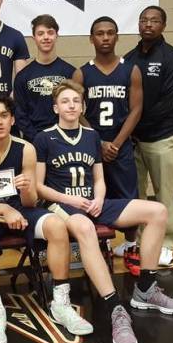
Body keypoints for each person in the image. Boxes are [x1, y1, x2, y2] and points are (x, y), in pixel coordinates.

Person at [34, 80, 173, 343]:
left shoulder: (91, 136)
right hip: (62, 204)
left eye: (76, 101)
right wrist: (71, 199)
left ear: (82, 106)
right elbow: (39, 186)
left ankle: (146, 288)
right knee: (84, 228)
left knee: (157, 211)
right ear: (55, 106)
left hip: (94, 201)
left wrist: (100, 199)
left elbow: (99, 178)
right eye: (65, 101)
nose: (71, 105)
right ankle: (114, 307)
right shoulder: (45, 137)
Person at [0, 93, 93, 343]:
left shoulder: (25, 148)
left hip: (19, 208)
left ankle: (61, 303)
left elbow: (29, 203)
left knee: (56, 225)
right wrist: (4, 211)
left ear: (12, 119)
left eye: (4, 116)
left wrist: (28, 188)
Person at [74, 16, 143, 276]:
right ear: (91, 38)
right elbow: (77, 109)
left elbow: (136, 109)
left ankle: (131, 246)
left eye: (110, 33)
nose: (105, 37)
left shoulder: (130, 69)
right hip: (92, 146)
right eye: (99, 33)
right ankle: (100, 244)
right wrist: (98, 141)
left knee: (128, 197)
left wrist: (116, 142)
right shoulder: (82, 72)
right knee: (95, 198)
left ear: (117, 37)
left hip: (121, 144)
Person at [123, 6, 173, 267]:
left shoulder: (171, 58)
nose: (148, 24)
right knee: (136, 193)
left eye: (154, 21)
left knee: (163, 192)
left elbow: (166, 102)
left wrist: (136, 122)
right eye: (144, 20)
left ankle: (166, 243)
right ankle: (135, 240)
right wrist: (128, 130)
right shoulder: (129, 58)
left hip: (159, 137)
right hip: (133, 139)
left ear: (163, 26)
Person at [13, 14, 76, 142]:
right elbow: (20, 115)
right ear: (34, 38)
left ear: (57, 36)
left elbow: (75, 108)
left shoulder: (70, 72)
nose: (46, 37)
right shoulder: (23, 77)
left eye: (50, 33)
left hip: (65, 140)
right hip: (34, 141)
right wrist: (38, 138)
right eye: (40, 33)